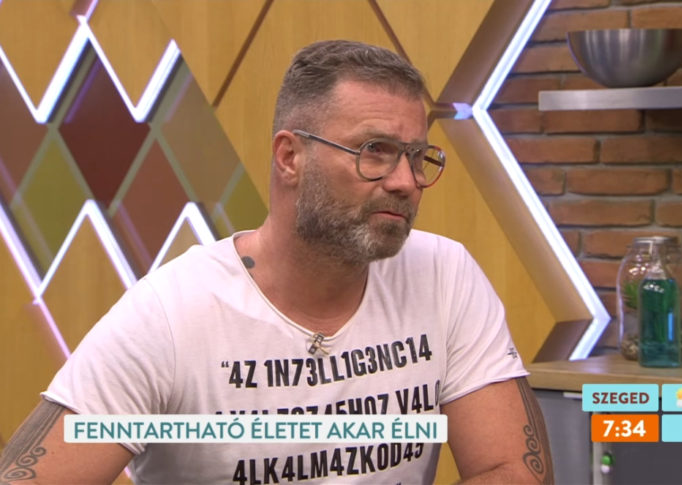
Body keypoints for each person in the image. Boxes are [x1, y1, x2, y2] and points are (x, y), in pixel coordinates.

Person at [0, 39, 553, 484]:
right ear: (290, 156)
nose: (406, 182)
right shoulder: (171, 314)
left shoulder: (444, 275)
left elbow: (515, 470)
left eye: (416, 156)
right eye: (375, 152)